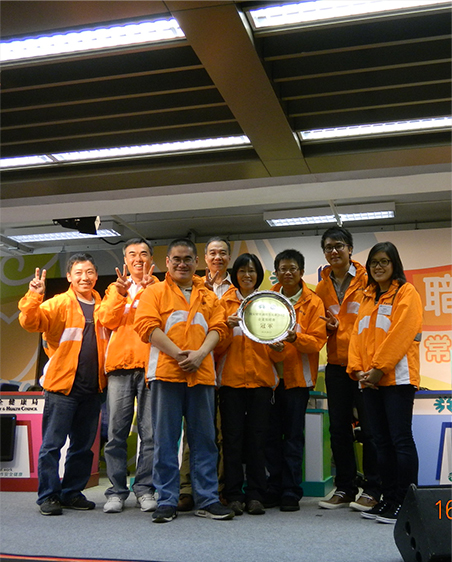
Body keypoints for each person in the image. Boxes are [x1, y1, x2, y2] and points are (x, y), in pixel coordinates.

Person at [134, 238, 234, 523]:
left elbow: (219, 328)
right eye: (176, 259)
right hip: (166, 374)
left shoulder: (208, 296)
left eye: (187, 259)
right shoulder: (154, 292)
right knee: (165, 441)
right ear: (167, 262)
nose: (182, 264)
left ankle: (207, 499)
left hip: (201, 375)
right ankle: (167, 500)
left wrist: (200, 355)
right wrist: (179, 355)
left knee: (204, 441)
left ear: (196, 262)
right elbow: (146, 326)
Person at [18, 253, 109, 516]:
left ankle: (72, 493)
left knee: (83, 448)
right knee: (52, 445)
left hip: (92, 390)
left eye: (89, 272)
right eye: (78, 272)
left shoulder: (103, 306)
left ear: (96, 276)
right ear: (69, 277)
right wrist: (34, 296)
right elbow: (30, 322)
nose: (85, 277)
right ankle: (48, 496)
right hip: (61, 388)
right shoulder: (59, 303)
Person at [347, 241, 422, 524]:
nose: (378, 267)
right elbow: (357, 337)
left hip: (397, 380)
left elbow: (402, 333)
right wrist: (357, 370)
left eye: (384, 261)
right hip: (370, 381)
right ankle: (388, 500)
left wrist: (379, 369)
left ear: (394, 264)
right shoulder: (367, 298)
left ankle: (405, 503)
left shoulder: (406, 292)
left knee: (400, 440)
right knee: (380, 442)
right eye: (374, 262)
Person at [316, 227, 380, 511]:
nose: (334, 251)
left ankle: (374, 489)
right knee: (339, 429)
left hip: (364, 366)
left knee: (371, 429)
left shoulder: (368, 280)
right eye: (328, 247)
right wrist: (327, 327)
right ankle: (345, 487)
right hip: (336, 365)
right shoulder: (321, 287)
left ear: (350, 249)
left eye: (339, 246)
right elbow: (317, 326)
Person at [215, 253, 285, 516]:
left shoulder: (268, 304)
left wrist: (278, 348)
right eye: (242, 271)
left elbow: (276, 352)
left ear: (259, 275)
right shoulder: (223, 303)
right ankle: (233, 494)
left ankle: (256, 494)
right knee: (232, 440)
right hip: (230, 382)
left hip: (261, 382)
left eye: (252, 271)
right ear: (235, 275)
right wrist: (225, 326)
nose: (247, 275)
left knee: (258, 440)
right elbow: (215, 347)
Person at [98, 238, 159, 514]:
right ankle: (116, 491)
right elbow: (107, 320)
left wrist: (149, 291)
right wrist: (120, 293)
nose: (138, 258)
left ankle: (145, 489)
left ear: (151, 259)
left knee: (150, 434)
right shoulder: (114, 288)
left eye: (143, 253)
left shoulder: (160, 288)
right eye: (132, 254)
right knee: (116, 434)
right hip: (119, 367)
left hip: (150, 367)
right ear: (125, 261)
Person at [265, 249, 327, 511]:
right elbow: (259, 336)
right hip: (269, 380)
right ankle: (273, 487)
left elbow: (317, 341)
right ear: (276, 272)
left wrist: (295, 338)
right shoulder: (266, 300)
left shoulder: (313, 302)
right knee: (270, 437)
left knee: (292, 437)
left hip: (298, 381)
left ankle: (291, 490)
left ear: (301, 272)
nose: (287, 273)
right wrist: (272, 347)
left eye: (293, 268)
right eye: (283, 268)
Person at [177, 236, 232, 512]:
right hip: (196, 369)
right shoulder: (193, 286)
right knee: (193, 435)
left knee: (219, 436)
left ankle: (216, 490)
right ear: (204, 258)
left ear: (229, 257)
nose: (217, 257)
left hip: (228, 372)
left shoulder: (238, 290)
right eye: (212, 253)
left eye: (222, 253)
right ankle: (186, 489)